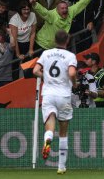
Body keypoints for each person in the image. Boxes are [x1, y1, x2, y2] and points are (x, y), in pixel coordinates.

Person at [33, 30, 77, 174]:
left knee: (50, 125)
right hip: (64, 95)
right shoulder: (70, 56)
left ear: (54, 40)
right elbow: (71, 73)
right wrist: (74, 83)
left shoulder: (46, 53)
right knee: (63, 132)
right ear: (67, 40)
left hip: (49, 94)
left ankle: (48, 138)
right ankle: (61, 167)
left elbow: (35, 71)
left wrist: (45, 78)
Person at [29, 0, 102, 50]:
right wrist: (35, 4)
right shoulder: (52, 15)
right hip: (41, 45)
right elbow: (42, 11)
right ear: (57, 10)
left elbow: (83, 2)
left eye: (66, 8)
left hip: (54, 47)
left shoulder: (71, 11)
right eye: (62, 8)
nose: (65, 10)